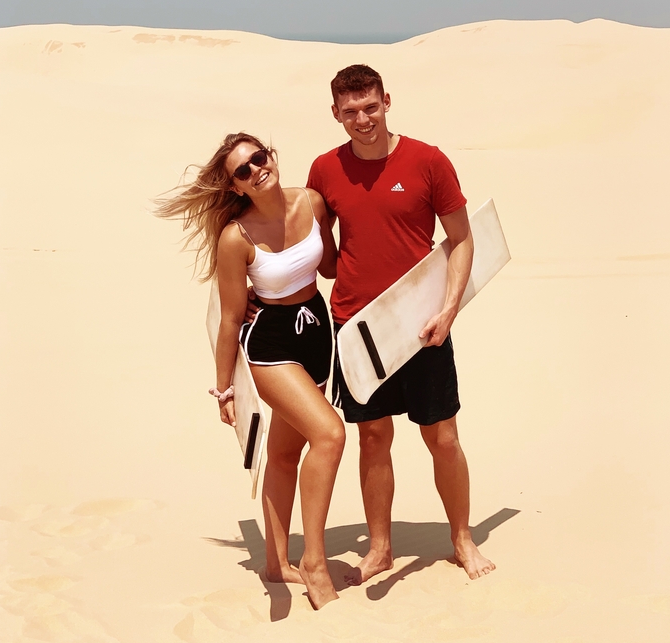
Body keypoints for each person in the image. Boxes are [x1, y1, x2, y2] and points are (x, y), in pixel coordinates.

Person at [307, 65, 495, 585]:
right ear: (335, 114)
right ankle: (381, 548)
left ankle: (461, 538)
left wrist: (449, 309)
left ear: (387, 100)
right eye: (350, 112)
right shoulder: (324, 170)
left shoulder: (428, 161)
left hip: (422, 322)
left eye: (370, 107)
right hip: (358, 325)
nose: (362, 119)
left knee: (443, 438)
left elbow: (462, 240)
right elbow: (323, 258)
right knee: (373, 438)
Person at [155, 132, 345, 609]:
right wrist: (224, 390)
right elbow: (229, 318)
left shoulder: (313, 202)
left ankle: (276, 562)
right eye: (243, 170)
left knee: (285, 453)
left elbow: (332, 268)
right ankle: (315, 563)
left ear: (271, 155)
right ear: (236, 187)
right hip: (271, 344)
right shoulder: (236, 238)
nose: (256, 169)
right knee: (330, 435)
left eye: (258, 158)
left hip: (317, 332)